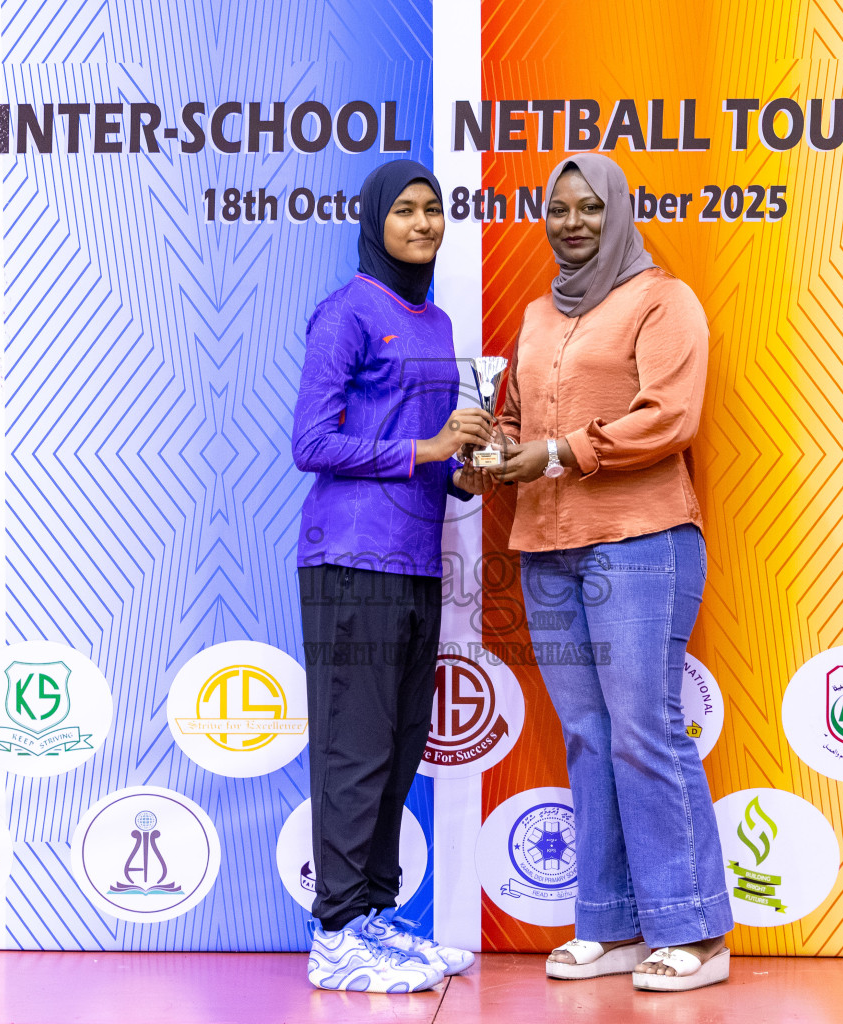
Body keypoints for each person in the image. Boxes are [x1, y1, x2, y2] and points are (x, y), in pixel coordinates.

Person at [488, 153, 732, 992]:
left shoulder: (664, 299)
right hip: (547, 547)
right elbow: (518, 416)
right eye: (559, 209)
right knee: (589, 738)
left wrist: (558, 452)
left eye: (591, 207)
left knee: (642, 730)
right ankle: (613, 924)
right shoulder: (535, 315)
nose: (574, 222)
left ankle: (695, 930)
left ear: (618, 211)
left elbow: (669, 416)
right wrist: (492, 441)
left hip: (638, 539)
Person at [291, 159, 487, 992]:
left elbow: (436, 455)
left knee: (401, 746)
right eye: (405, 210)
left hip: (414, 560)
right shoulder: (346, 314)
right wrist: (425, 451)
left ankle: (371, 918)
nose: (423, 224)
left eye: (434, 210)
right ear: (375, 221)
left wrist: (464, 470)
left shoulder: (436, 322)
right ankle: (333, 935)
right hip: (348, 559)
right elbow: (310, 443)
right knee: (355, 750)